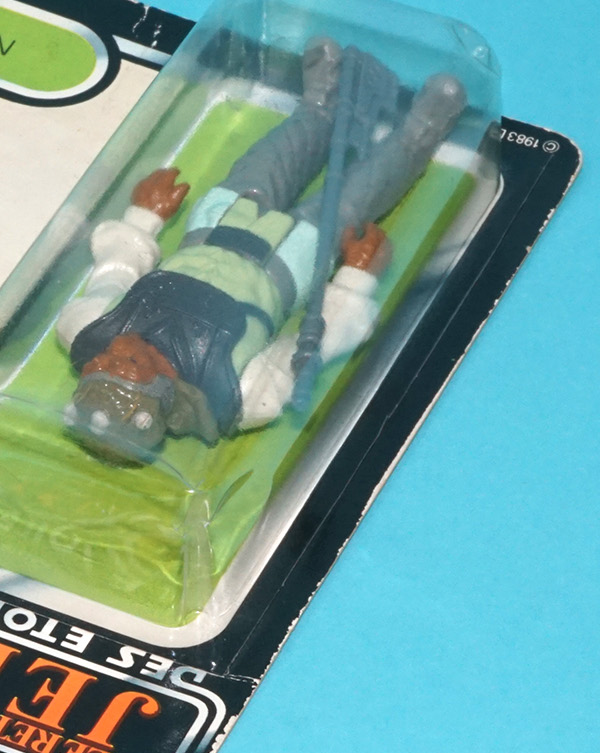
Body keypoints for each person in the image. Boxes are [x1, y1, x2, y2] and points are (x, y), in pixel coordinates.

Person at [54, 38, 466, 463]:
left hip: (217, 224)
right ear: (156, 394)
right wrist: (355, 280)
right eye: (119, 371)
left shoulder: (89, 326)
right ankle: (421, 132)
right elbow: (309, 349)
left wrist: (143, 217)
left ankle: (321, 105)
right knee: (355, 197)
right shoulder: (238, 392)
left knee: (278, 152)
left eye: (96, 369)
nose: (107, 358)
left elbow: (116, 270)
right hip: (291, 258)